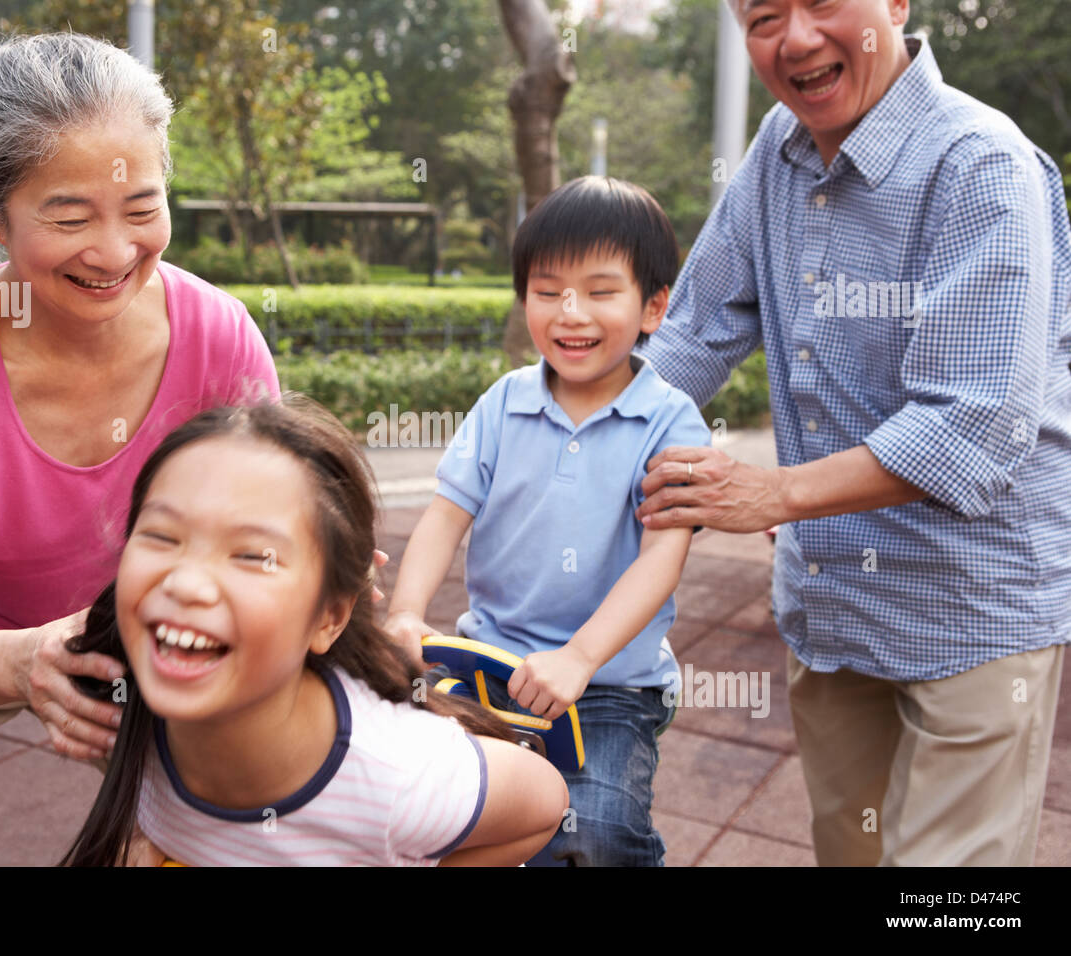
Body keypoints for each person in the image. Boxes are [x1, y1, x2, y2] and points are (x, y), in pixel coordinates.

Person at [0, 33, 284, 866]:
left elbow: (275, 532)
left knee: (239, 838)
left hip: (145, 630)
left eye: (142, 209)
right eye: (70, 218)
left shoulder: (219, 337)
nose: (113, 253)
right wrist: (18, 661)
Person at [637, 0, 1071, 866]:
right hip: (833, 597)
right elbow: (696, 330)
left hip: (973, 605)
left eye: (824, 2)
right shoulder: (778, 147)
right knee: (852, 854)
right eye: (763, 16)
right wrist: (563, 434)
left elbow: (974, 424)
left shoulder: (979, 163)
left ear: (897, 4)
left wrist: (778, 492)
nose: (795, 38)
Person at [62, 397, 570, 866]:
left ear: (329, 616)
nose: (188, 582)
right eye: (161, 536)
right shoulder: (111, 693)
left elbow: (546, 803)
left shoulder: (398, 778)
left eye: (249, 555)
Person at [384, 176, 711, 866]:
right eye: (546, 290)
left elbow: (661, 559)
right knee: (435, 811)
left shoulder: (671, 422)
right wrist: (408, 613)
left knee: (591, 832)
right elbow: (445, 518)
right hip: (488, 664)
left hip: (609, 683)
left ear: (654, 307)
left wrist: (580, 658)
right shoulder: (504, 404)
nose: (570, 313)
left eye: (599, 291)